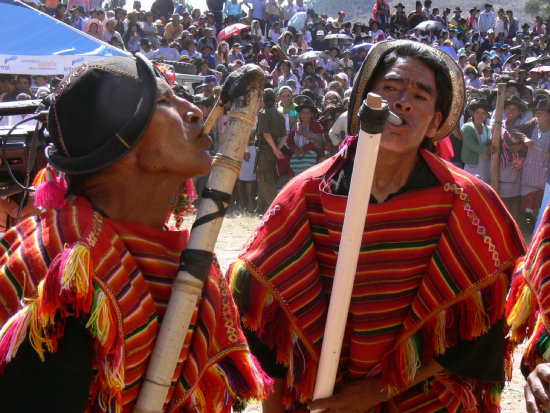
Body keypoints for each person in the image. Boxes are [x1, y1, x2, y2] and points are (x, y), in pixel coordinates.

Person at [228, 40, 524, 413]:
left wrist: (374, 392)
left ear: (435, 122)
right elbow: (269, 329)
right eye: (390, 88)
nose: (402, 102)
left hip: (427, 401)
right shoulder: (305, 198)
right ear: (364, 103)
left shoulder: (468, 205)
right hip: (319, 401)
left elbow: (479, 331)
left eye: (420, 95)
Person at [0, 55, 271, 412]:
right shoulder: (62, 279)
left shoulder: (183, 257)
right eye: (163, 101)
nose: (194, 110)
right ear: (121, 148)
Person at [255, 88, 286, 214]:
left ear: (263, 100)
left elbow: (266, 134)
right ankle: (260, 207)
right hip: (274, 152)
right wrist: (278, 150)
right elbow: (284, 136)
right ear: (275, 99)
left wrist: (274, 149)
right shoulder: (279, 114)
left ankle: (277, 209)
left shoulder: (263, 113)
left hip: (266, 151)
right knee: (266, 178)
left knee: (265, 178)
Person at [460, 98, 496, 183]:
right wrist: (487, 149)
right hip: (472, 167)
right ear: (473, 113)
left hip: (485, 166)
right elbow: (471, 145)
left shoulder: (488, 129)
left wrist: (494, 134)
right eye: (477, 112)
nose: (480, 115)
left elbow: (489, 142)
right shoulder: (467, 127)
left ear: (486, 115)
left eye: (483, 113)